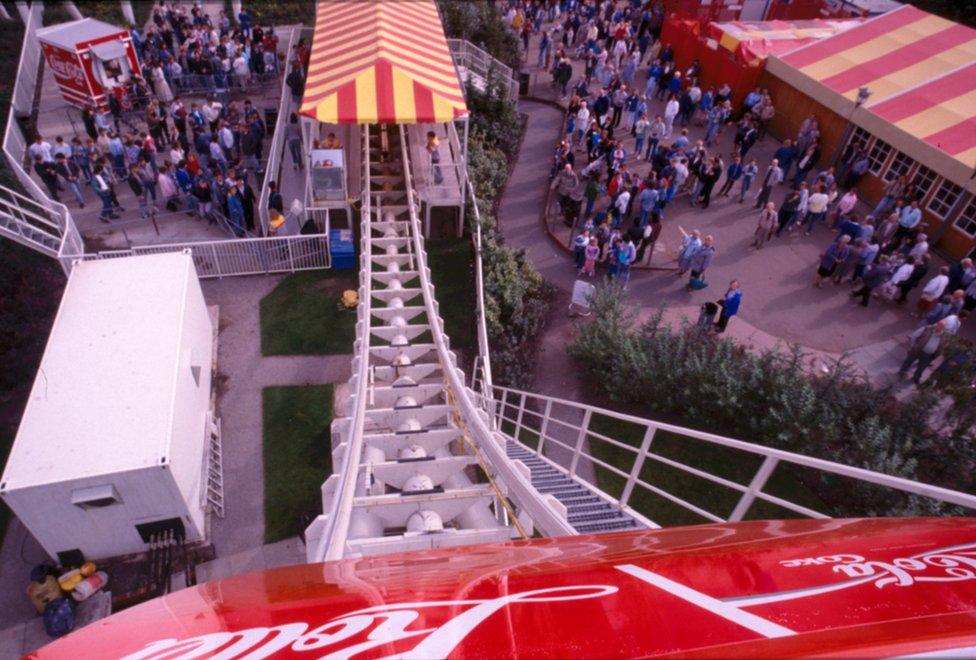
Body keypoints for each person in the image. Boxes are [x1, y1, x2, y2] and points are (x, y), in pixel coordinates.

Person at [898, 320, 948, 386]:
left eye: (942, 326)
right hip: (918, 350)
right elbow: (914, 336)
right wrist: (913, 346)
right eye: (939, 325)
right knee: (909, 361)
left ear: (944, 327)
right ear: (937, 323)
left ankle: (916, 378)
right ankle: (902, 371)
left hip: (928, 355)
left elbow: (942, 347)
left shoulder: (943, 336)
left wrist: (936, 355)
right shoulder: (927, 328)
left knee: (922, 367)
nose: (940, 327)